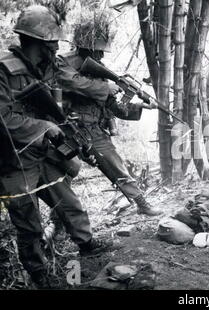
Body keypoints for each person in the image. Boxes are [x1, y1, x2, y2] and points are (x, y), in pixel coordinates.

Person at [0, 5, 112, 288]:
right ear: (37, 43)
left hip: (44, 151)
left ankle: (86, 245)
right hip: (13, 158)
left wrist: (64, 127)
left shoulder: (50, 65)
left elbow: (71, 88)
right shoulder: (4, 69)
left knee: (68, 201)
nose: (55, 48)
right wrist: (43, 127)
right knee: (29, 223)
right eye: (51, 43)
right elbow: (3, 118)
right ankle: (40, 274)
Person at [55, 16, 162, 218]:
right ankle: (58, 220)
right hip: (66, 127)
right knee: (61, 174)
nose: (102, 54)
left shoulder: (100, 71)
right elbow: (72, 83)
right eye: (99, 49)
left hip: (92, 129)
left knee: (116, 165)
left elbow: (114, 108)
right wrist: (107, 87)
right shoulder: (63, 62)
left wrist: (142, 105)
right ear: (86, 47)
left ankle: (140, 202)